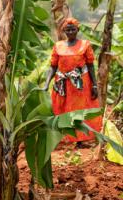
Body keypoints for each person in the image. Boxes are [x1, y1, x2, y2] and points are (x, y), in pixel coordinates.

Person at [42, 17, 102, 145]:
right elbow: (53, 66)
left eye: (73, 29)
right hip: (62, 82)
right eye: (67, 30)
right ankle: (63, 138)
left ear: (77, 30)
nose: (70, 32)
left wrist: (95, 85)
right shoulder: (58, 46)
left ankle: (79, 139)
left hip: (80, 84)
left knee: (79, 109)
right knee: (61, 108)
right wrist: (47, 83)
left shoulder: (85, 45)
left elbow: (90, 65)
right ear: (64, 31)